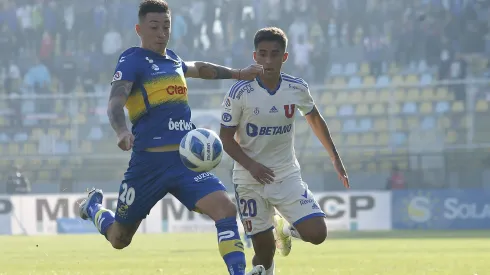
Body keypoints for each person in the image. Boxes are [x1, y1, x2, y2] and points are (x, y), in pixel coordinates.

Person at [78, 1, 265, 275]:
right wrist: (121, 131)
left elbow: (199, 68)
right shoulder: (132, 60)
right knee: (119, 238)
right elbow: (115, 103)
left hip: (184, 161)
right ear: (139, 29)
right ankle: (93, 207)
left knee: (225, 209)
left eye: (166, 26)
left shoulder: (173, 60)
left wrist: (238, 73)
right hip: (147, 165)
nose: (161, 32)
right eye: (154, 27)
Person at [219, 27, 350, 275]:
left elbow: (315, 119)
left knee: (317, 233)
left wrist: (335, 158)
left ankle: (286, 230)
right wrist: (252, 166)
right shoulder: (239, 92)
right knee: (264, 254)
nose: (268, 60)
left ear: (284, 57)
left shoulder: (296, 87)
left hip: (285, 174)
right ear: (255, 56)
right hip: (248, 179)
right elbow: (225, 139)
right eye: (263, 54)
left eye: (275, 54)